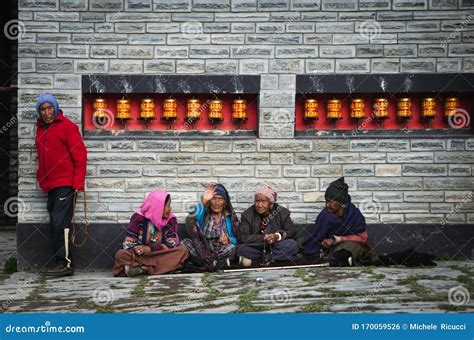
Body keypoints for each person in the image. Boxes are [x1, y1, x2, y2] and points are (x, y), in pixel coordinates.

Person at [35, 93, 87, 277]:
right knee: (55, 223)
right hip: (51, 185)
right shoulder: (40, 129)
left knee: (60, 223)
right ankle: (61, 261)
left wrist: (77, 183)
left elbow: (80, 156)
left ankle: (65, 263)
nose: (47, 112)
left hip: (66, 184)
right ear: (39, 112)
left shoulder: (67, 127)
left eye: (50, 108)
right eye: (43, 109)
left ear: (55, 108)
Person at [113, 189, 189, 277]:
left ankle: (142, 269)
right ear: (158, 206)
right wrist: (140, 249)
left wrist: (151, 249)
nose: (170, 209)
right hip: (142, 255)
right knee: (121, 254)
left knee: (183, 251)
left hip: (161, 254)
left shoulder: (171, 220)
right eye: (168, 206)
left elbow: (172, 243)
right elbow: (127, 244)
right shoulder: (138, 218)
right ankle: (158, 268)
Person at [304, 177, 373, 266]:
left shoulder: (355, 215)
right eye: (326, 201)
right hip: (329, 250)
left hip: (350, 247)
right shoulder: (324, 216)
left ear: (342, 204)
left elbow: (363, 238)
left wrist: (338, 239)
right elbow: (316, 238)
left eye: (330, 202)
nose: (327, 205)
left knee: (349, 247)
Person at [237, 185, 299, 267]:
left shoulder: (282, 212)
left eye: (263, 201)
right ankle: (277, 258)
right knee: (241, 249)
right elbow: (242, 237)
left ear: (270, 203)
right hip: (258, 246)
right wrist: (264, 238)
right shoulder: (247, 215)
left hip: (277, 245)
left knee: (292, 244)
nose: (259, 205)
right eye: (257, 201)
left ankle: (259, 261)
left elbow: (292, 231)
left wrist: (277, 236)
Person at [182, 184, 238, 270]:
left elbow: (238, 239)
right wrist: (204, 201)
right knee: (185, 242)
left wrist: (229, 239)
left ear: (225, 202)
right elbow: (190, 220)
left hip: (220, 250)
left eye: (220, 199)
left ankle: (206, 263)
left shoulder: (229, 218)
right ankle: (211, 263)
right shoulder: (204, 214)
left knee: (231, 247)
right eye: (214, 199)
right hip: (203, 249)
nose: (216, 202)